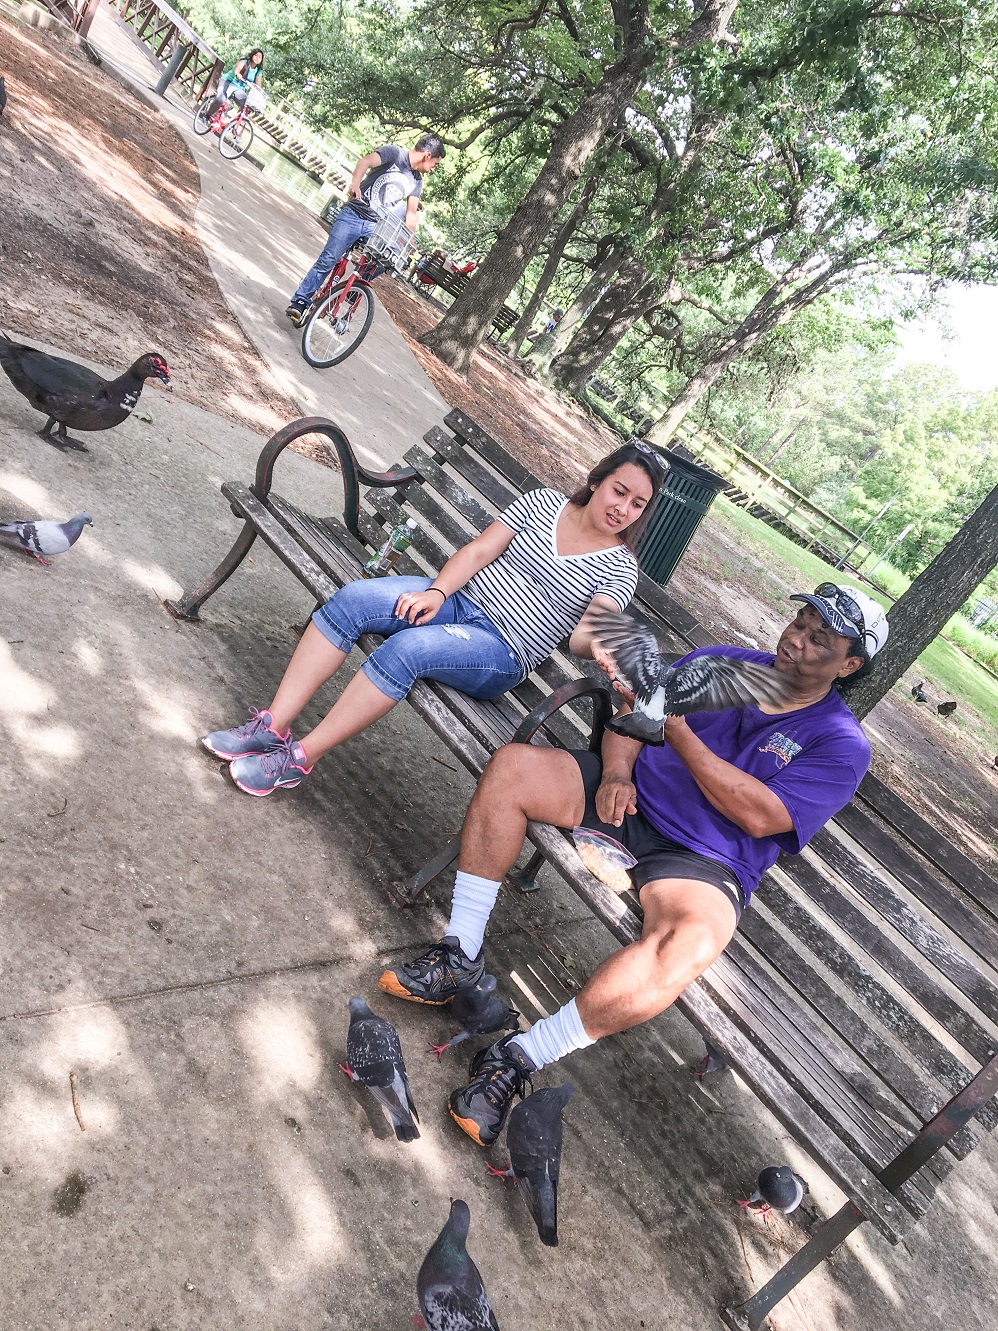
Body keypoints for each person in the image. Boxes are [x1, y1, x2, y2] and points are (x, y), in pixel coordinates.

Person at [378, 583, 888, 1145]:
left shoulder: (841, 743)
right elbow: (632, 714)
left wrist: (679, 733)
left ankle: (519, 1055)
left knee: (687, 944)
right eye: (800, 622)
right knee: (513, 769)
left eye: (820, 639)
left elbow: (760, 814)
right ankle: (461, 953)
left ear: (849, 665)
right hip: (629, 799)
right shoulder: (722, 663)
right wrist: (618, 772)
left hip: (704, 857)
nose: (796, 639)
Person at [201, 443, 663, 796]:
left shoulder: (620, 569)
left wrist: (600, 645)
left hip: (501, 650)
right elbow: (479, 552)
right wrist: (437, 591)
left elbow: (586, 633)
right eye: (619, 491)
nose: (622, 508)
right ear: (596, 480)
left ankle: (300, 758)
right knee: (354, 600)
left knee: (407, 649)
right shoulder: (543, 503)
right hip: (457, 601)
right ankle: (271, 726)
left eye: (637, 504)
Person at [286, 134, 446, 325]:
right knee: (328, 259)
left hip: (375, 227)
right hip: (353, 214)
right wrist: (355, 183)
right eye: (435, 164)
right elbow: (365, 162)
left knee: (388, 257)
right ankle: (300, 301)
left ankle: (351, 289)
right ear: (427, 155)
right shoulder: (395, 154)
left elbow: (411, 213)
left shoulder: (416, 181)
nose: (433, 168)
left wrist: (409, 242)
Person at [208, 49, 264, 115]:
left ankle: (236, 120)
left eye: (260, 57)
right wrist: (238, 74)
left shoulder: (258, 71)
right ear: (252, 55)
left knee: (247, 106)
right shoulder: (244, 61)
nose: (257, 58)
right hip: (228, 82)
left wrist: (261, 94)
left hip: (240, 89)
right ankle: (207, 115)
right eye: (256, 55)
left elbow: (258, 85)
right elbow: (237, 70)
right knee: (221, 98)